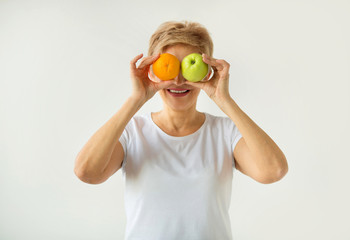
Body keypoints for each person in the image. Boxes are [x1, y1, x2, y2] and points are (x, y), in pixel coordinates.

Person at [74, 20, 288, 240]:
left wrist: (224, 100)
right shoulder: (132, 132)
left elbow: (273, 171)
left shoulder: (225, 132)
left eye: (187, 67)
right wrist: (135, 100)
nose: (178, 80)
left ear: (207, 72)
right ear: (152, 71)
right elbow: (86, 172)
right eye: (169, 67)